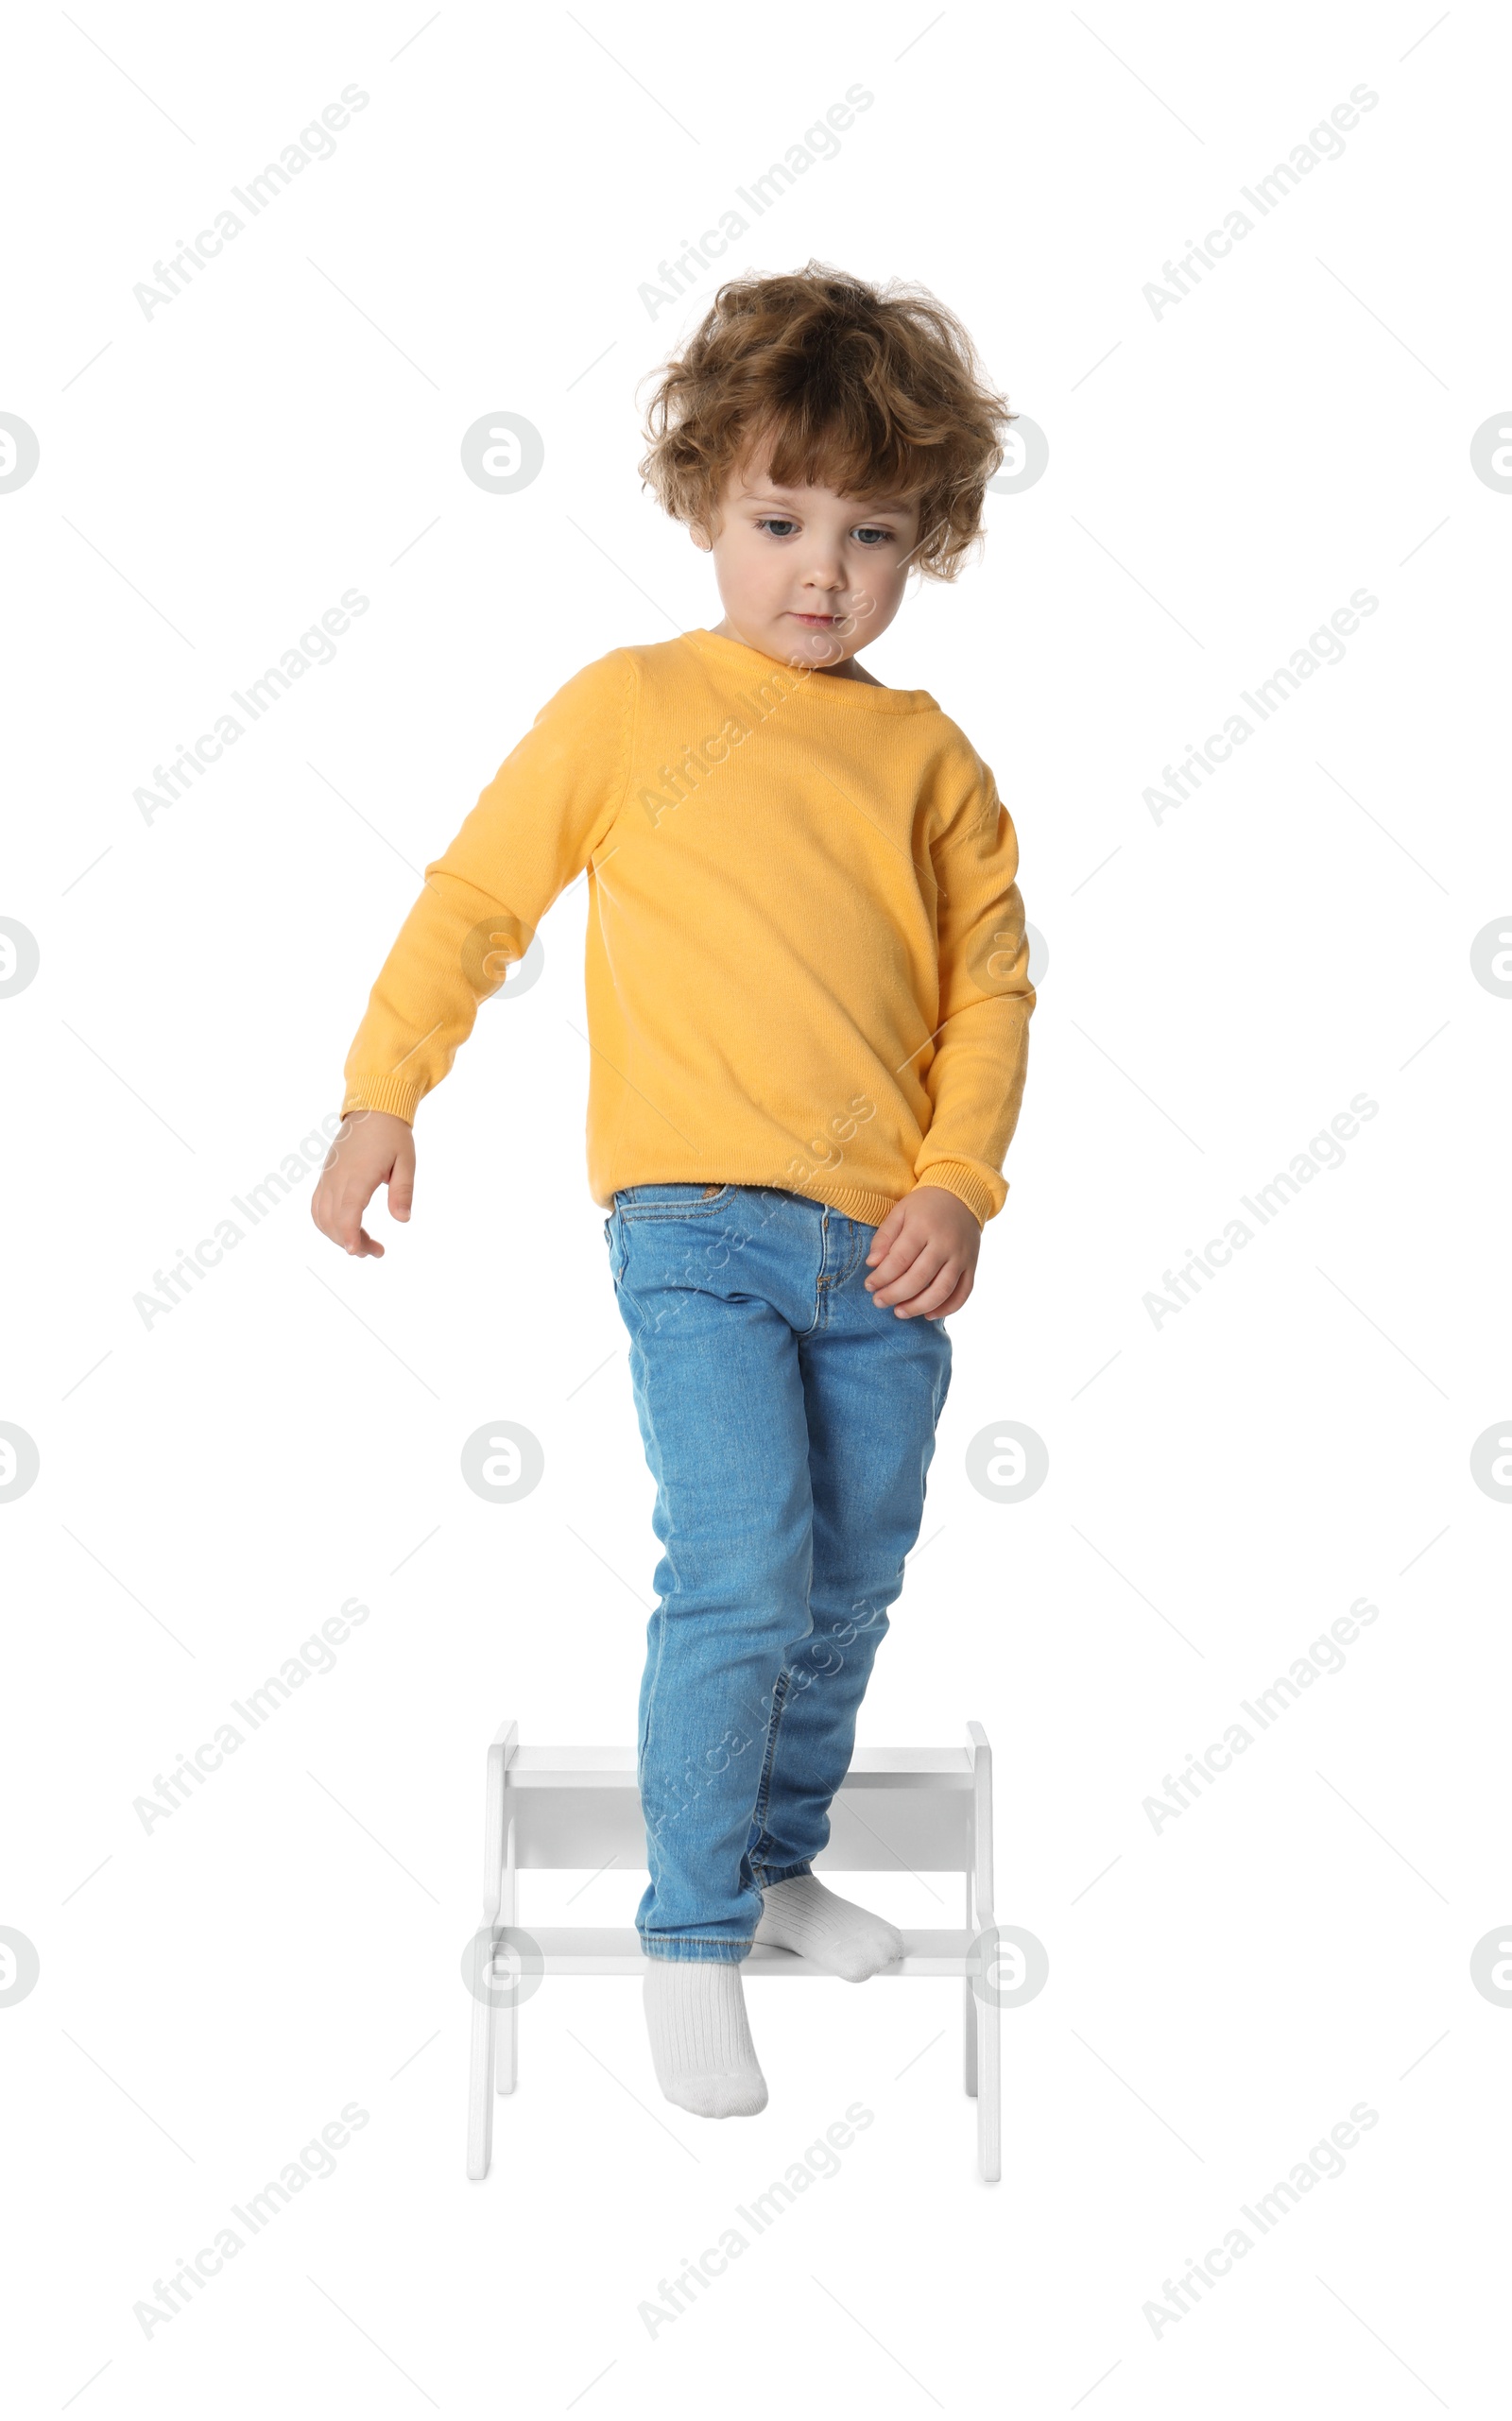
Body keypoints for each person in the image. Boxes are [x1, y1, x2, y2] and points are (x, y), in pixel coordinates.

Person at [312, 262, 1036, 2119]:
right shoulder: (630, 710)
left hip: (880, 1251)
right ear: (704, 500)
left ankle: (776, 1861)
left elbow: (988, 994)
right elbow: (477, 900)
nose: (820, 568)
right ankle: (689, 1929)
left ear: (925, 543)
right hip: (692, 1233)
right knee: (736, 1570)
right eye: (776, 518)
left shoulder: (927, 760)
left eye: (871, 533)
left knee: (851, 1578)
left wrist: (956, 1182)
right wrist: (381, 1095)